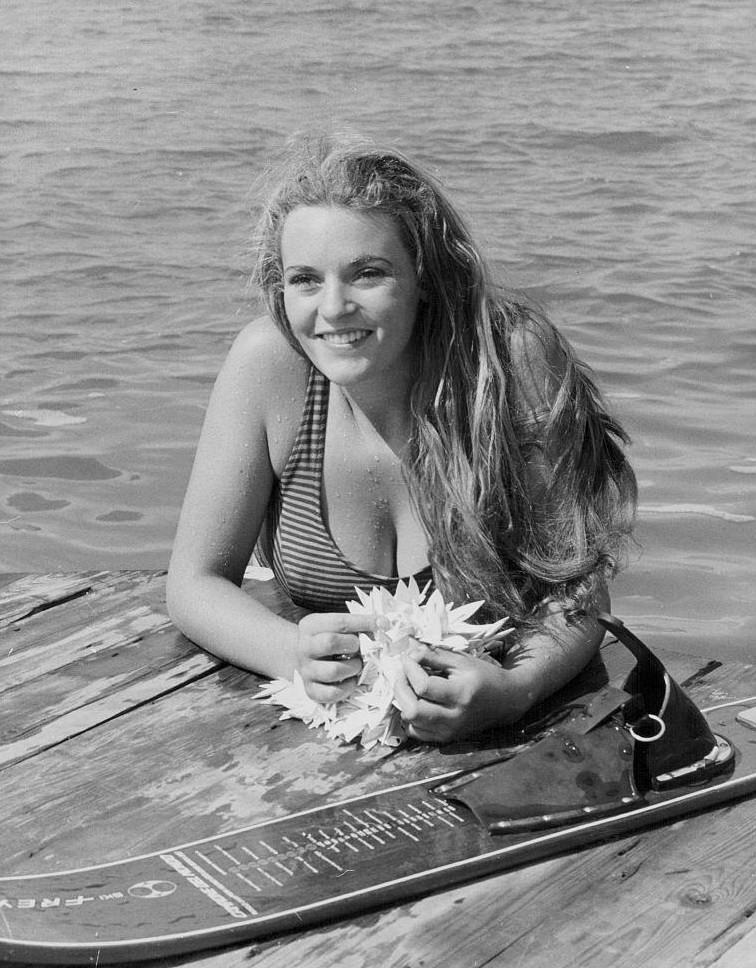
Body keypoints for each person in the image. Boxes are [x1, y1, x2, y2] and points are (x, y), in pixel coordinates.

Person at [166, 135, 637, 744]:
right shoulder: (270, 365)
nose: (332, 308)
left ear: (427, 277)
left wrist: (515, 690)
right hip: (341, 737)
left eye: (368, 273)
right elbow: (194, 581)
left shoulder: (510, 363)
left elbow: (579, 590)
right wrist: (293, 653)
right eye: (305, 279)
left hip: (517, 729)